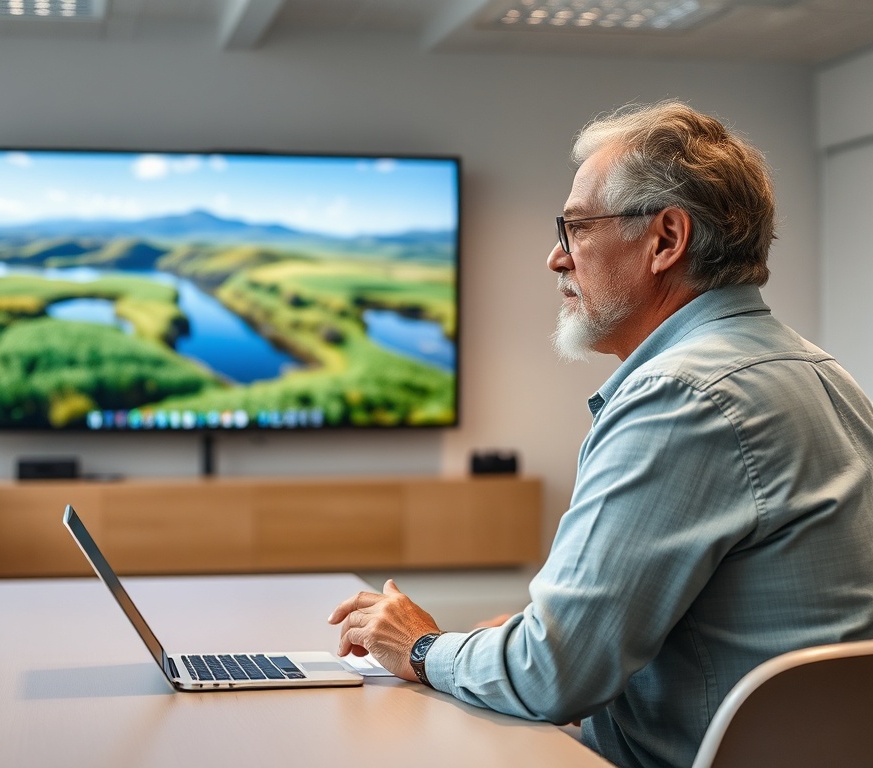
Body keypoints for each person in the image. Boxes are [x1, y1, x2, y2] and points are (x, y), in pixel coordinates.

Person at [328, 100, 873, 768]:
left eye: (577, 227)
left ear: (665, 240)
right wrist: (524, 642)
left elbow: (552, 678)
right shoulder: (825, 375)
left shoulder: (679, 397)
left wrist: (419, 648)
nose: (556, 257)